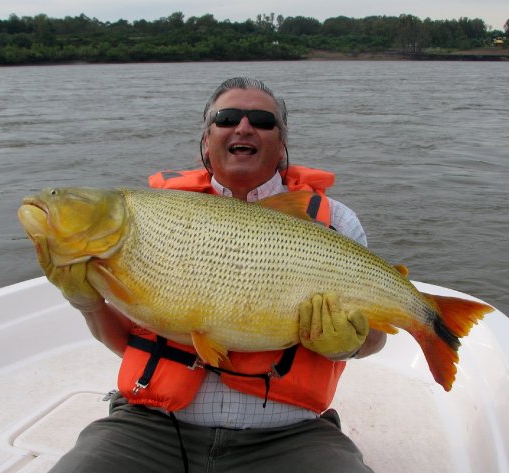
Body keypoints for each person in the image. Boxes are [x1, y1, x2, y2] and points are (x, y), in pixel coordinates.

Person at [41, 77, 386, 473]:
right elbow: (128, 343)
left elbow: (376, 336)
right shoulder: (152, 217)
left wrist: (348, 344)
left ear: (282, 142)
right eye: (226, 118)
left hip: (289, 436)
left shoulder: (338, 223)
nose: (243, 127)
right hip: (151, 427)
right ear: (207, 139)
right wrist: (86, 303)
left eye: (261, 119)